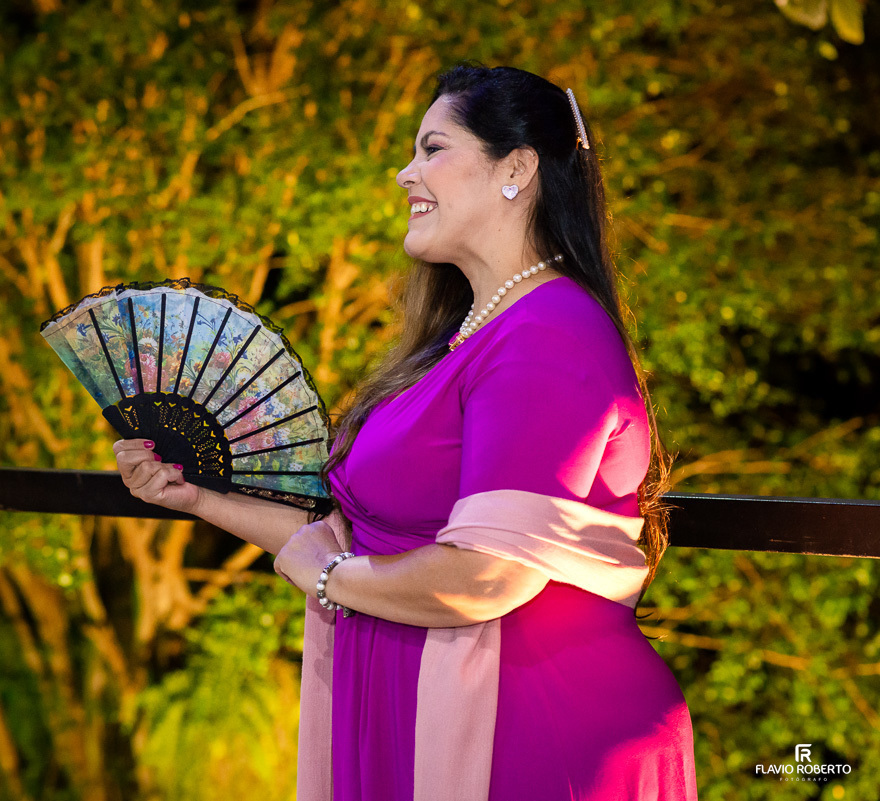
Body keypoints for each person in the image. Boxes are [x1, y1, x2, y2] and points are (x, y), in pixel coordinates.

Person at [113, 61, 698, 801]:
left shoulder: (550, 333)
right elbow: (350, 537)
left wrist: (330, 580)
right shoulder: (464, 339)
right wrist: (195, 495)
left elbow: (484, 573)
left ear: (515, 168)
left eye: (432, 148)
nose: (404, 174)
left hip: (535, 732)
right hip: (434, 701)